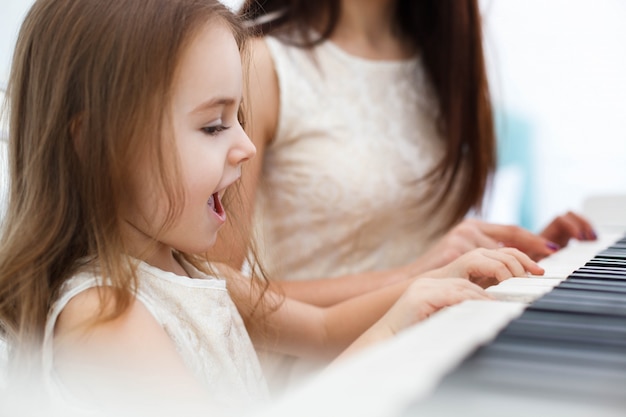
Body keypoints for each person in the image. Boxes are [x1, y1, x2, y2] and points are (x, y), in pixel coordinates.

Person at [0, 0, 543, 416]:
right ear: (97, 144)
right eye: (214, 125)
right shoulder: (106, 317)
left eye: (238, 118)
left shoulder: (192, 272)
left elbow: (326, 330)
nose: (246, 145)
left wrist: (423, 292)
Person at [204, 0, 597, 390]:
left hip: (438, 352)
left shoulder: (440, 57)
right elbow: (212, 284)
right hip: (330, 376)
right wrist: (412, 276)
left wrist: (510, 266)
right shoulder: (263, 63)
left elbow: (423, 251)